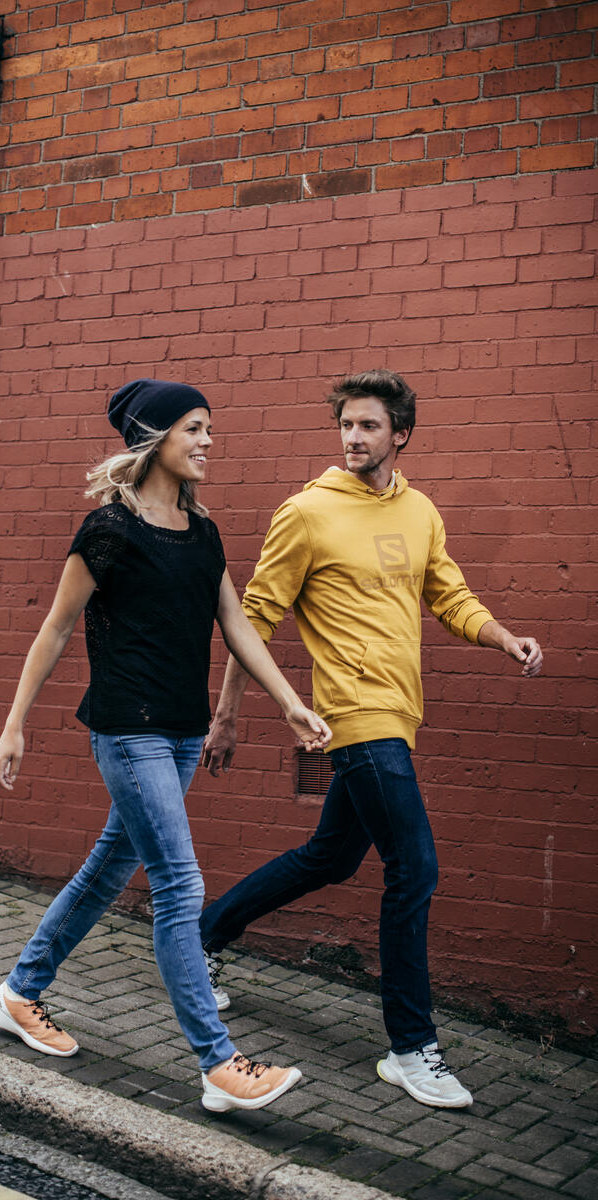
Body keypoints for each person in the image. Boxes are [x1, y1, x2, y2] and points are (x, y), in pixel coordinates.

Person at [0, 378, 332, 1114]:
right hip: (127, 730)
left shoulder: (202, 531)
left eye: (209, 427)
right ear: (155, 437)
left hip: (180, 733)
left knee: (110, 867)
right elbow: (56, 628)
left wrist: (291, 703)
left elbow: (236, 624)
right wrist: (14, 724)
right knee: (179, 884)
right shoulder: (109, 531)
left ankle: (19, 991)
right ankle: (219, 1064)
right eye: (194, 428)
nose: (208, 441)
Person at [199, 369, 542, 1110]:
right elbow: (254, 619)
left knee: (329, 857)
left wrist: (501, 637)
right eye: (346, 425)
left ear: (401, 435)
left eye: (368, 426)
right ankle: (411, 1048)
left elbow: (448, 595)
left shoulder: (419, 511)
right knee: (414, 868)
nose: (353, 437)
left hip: (399, 714)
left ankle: (202, 939)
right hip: (352, 717)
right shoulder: (307, 513)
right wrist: (226, 715)